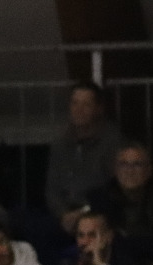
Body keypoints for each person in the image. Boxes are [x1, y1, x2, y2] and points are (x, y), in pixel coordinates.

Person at [46, 83, 124, 233]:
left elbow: (115, 189)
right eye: (75, 103)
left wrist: (85, 211)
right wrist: (63, 214)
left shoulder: (113, 142)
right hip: (64, 215)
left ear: (99, 109)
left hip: (98, 213)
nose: (79, 110)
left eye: (86, 105)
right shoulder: (60, 143)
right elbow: (52, 188)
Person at [86, 142, 153, 264]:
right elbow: (101, 240)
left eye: (137, 164)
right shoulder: (101, 198)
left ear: (149, 170)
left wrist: (124, 241)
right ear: (115, 170)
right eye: (124, 164)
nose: (130, 171)